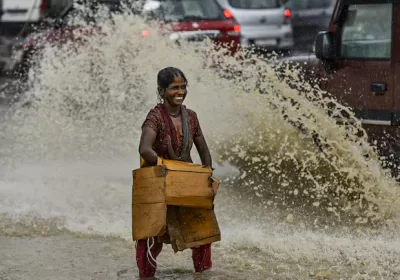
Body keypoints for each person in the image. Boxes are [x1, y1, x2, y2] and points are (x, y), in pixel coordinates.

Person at [137, 67, 214, 278]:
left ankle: (203, 274)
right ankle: (146, 275)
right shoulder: (155, 117)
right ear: (161, 91)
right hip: (160, 183)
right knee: (152, 235)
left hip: (187, 182)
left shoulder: (191, 117)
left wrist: (207, 174)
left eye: (183, 87)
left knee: (201, 234)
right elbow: (144, 148)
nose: (180, 92)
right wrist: (166, 166)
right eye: (174, 88)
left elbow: (204, 150)